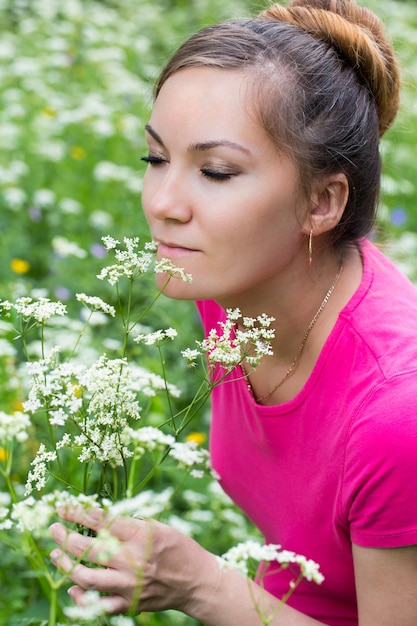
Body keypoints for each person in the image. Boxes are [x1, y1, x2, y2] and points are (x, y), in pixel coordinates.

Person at [49, 0, 417, 624]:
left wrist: (203, 588)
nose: (163, 203)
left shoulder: (395, 418)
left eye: (216, 172)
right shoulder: (232, 287)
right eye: (156, 159)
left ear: (323, 202)